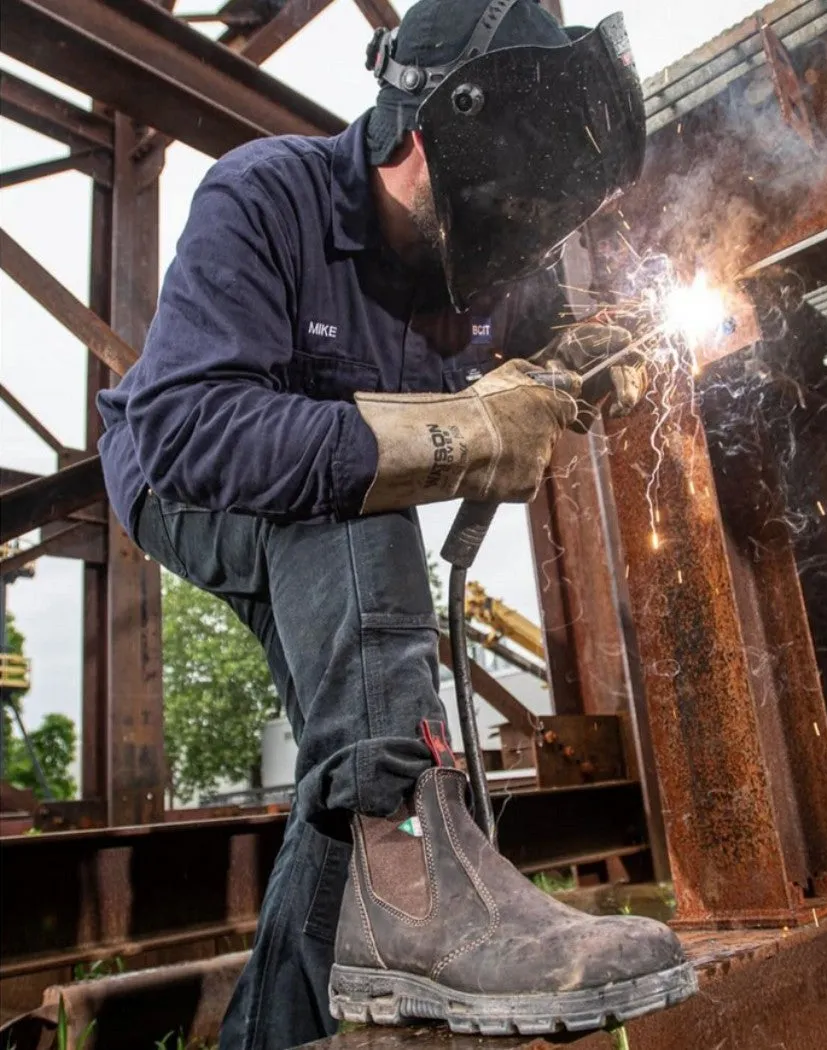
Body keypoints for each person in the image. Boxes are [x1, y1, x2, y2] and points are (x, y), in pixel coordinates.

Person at [96, 0, 696, 1046]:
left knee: (353, 750)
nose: (506, 243)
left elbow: (563, 338)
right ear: (420, 135)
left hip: (330, 519)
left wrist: (590, 362)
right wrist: (459, 430)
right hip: (183, 480)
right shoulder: (266, 195)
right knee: (349, 493)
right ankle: (420, 887)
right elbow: (190, 426)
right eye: (494, 203)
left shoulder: (499, 269)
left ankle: (294, 1007)